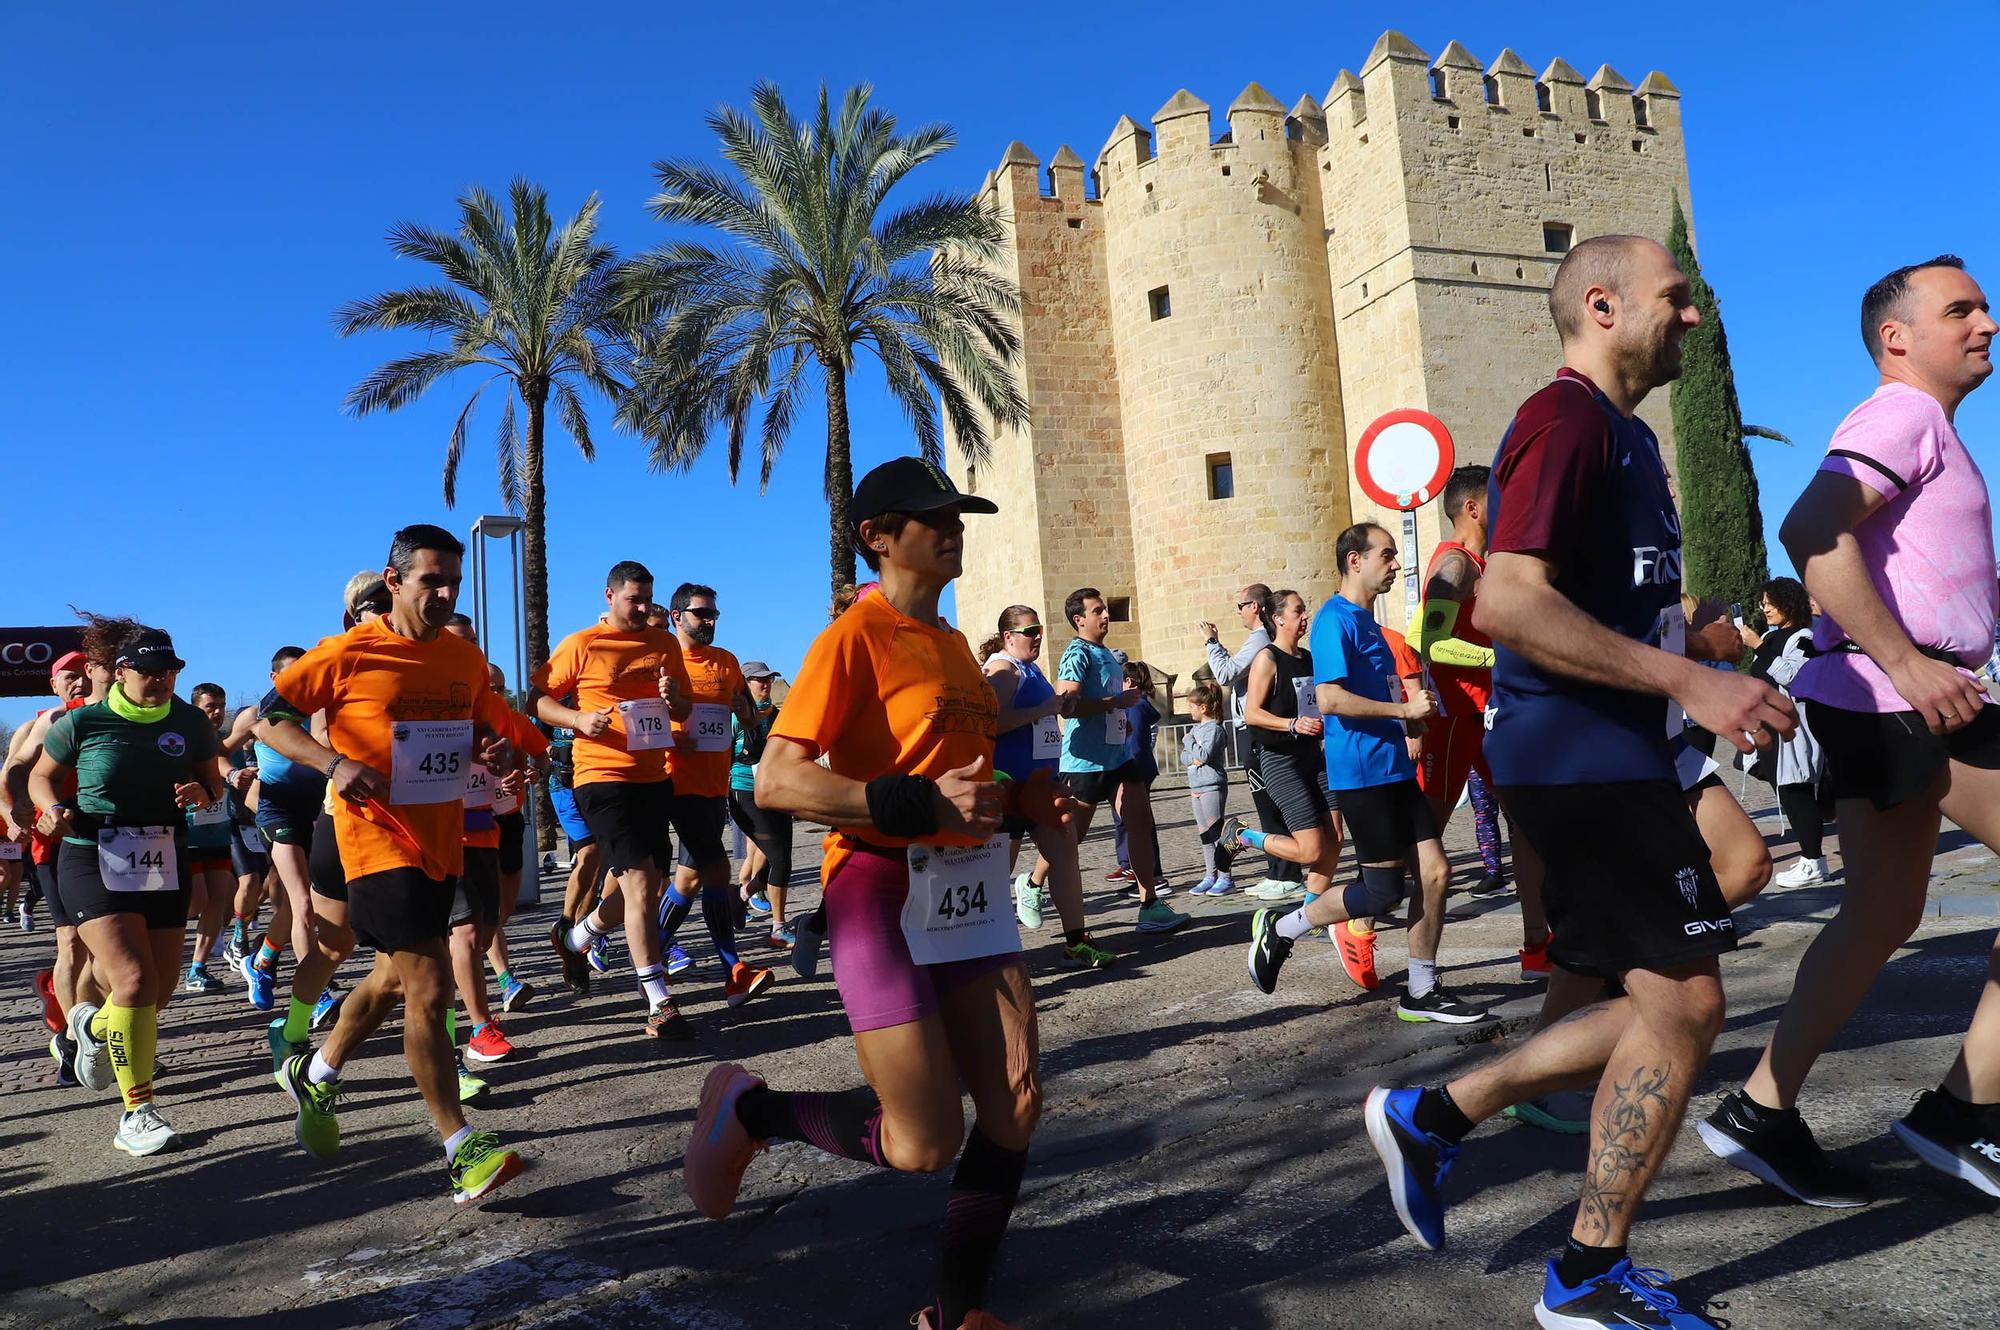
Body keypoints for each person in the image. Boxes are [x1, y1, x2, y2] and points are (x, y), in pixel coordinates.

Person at [1362, 234, 1794, 1327]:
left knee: (1666, 1003)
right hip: (1575, 755)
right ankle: (1583, 1275)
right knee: (1684, 1001)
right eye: (1675, 299)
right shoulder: (1559, 421)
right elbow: (1501, 603)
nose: (1693, 319)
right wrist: (1686, 679)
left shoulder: (1628, 440)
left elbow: (1615, 610)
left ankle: (1440, 1113)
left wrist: (1706, 649)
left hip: (1620, 750)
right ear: (1599, 306)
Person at [682, 456, 1040, 1330]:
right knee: (923, 1142)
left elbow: (955, 777)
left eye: (957, 515)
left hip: (966, 891)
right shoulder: (853, 637)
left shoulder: (956, 646)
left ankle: (957, 1313)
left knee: (1016, 1107)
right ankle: (751, 1107)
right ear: (876, 536)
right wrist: (913, 801)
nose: (952, 528)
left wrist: (1019, 802)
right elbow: (776, 780)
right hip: (877, 887)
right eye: (931, 517)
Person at [1704, 255, 2000, 1204]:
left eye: (1986, 307)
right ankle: (1964, 1113)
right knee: (1881, 909)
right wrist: (1913, 666)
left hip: (1875, 692)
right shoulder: (1902, 414)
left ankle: (1761, 1109)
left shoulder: (1929, 428)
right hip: (1901, 693)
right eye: (1962, 309)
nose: (1987, 322)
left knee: (1882, 911)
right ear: (1896, 338)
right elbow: (1809, 531)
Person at [257, 524, 525, 1202]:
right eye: (432, 580)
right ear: (394, 579)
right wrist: (334, 762)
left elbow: (474, 734)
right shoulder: (347, 652)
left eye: (453, 583)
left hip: (440, 841)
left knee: (388, 982)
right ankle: (461, 1148)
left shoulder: (463, 661)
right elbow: (267, 720)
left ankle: (315, 1072)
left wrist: (492, 752)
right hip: (372, 841)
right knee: (431, 985)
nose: (444, 593)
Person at [1242, 548, 1486, 1024]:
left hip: (1394, 768)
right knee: (1382, 893)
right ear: (1355, 560)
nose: (1396, 564)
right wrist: (1403, 713)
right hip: (1363, 775)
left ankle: (1420, 988)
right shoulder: (1336, 620)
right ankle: (1283, 927)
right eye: (1387, 556)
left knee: (1436, 873)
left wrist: (1412, 716)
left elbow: (1388, 688)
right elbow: (1330, 698)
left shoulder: (1369, 623)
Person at [30, 625, 223, 1156]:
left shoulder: (187, 721)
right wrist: (50, 810)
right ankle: (136, 1111)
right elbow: (40, 777)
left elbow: (215, 784)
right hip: (91, 853)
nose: (162, 681)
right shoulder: (83, 721)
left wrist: (201, 791)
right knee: (133, 981)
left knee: (156, 993)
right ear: (120, 674)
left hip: (163, 855)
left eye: (170, 672)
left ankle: (90, 1024)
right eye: (149, 672)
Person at [532, 560, 695, 1040]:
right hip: (601, 776)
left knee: (649, 880)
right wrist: (578, 720)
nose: (644, 608)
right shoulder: (582, 644)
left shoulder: (664, 642)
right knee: (641, 883)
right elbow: (537, 701)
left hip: (652, 775)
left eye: (648, 599)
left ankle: (579, 936)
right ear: (609, 596)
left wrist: (673, 697)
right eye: (634, 600)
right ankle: (658, 998)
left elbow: (684, 706)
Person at [1410, 463, 1554, 972]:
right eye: (1498, 498)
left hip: (1492, 716)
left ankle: (1538, 943)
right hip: (1456, 719)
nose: (1508, 506)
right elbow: (1433, 643)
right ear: (1472, 507)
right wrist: (1503, 658)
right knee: (1427, 836)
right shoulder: (1454, 564)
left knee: (1528, 821)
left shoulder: (1480, 561)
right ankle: (1359, 918)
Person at [658, 582, 775, 1008]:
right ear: (677, 616)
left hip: (712, 785)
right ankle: (734, 972)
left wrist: (746, 713)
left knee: (688, 880)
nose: (709, 621)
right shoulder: (661, 659)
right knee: (717, 871)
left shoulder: (725, 662)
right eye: (701, 614)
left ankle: (638, 953)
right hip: (669, 782)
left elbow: (746, 711)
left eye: (713, 615)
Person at [981, 605, 1113, 970]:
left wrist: (1056, 708)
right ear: (1009, 637)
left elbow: (1042, 718)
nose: (1038, 635)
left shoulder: (1029, 667)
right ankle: (988, 951)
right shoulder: (1003, 669)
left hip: (1039, 785)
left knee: (1065, 848)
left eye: (1040, 629)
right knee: (994, 873)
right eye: (1030, 631)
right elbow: (991, 723)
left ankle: (1076, 940)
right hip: (1007, 788)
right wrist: (1042, 709)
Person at [1055, 588, 1187, 936]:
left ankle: (1150, 904)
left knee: (1139, 819)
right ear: (1078, 619)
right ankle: (1034, 882)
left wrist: (1120, 717)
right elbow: (1066, 703)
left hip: (1119, 756)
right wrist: (1114, 702)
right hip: (1085, 761)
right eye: (1097, 611)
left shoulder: (1107, 655)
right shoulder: (1076, 652)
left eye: (1105, 610)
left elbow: (1109, 703)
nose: (1106, 615)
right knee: (1071, 837)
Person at [3, 646, 108, 1084]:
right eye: (67, 676)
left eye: (83, 673)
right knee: (71, 943)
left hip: (110, 838)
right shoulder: (42, 722)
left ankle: (90, 1023)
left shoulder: (112, 716)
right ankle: (71, 1040)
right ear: (53, 684)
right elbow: (12, 770)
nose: (78, 682)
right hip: (55, 842)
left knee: (107, 948)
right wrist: (13, 814)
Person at [1201, 584, 1304, 899]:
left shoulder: (1260, 640)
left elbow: (1226, 673)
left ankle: (1285, 873)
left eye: (1241, 605)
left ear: (1255, 607)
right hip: (1253, 729)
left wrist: (1211, 642)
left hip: (1255, 729)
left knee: (1270, 803)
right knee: (1266, 803)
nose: (1239, 612)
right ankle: (1277, 870)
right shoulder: (1260, 641)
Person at [1739, 576, 1829, 887]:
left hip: (1794, 727)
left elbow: (1791, 675)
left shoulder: (1804, 637)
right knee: (1781, 784)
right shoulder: (1770, 636)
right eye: (1763, 603)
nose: (1764, 608)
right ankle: (1814, 846)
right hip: (1769, 725)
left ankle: (1813, 861)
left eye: (1769, 602)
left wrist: (1760, 647)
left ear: (1787, 602)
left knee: (1795, 789)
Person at [728, 661, 795, 949]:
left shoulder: (777, 714)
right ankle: (778, 928)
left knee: (782, 861)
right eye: (758, 680)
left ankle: (741, 896)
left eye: (768, 679)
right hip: (744, 792)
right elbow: (722, 755)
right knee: (777, 858)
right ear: (746, 684)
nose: (765, 684)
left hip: (775, 790)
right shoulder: (734, 716)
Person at [181, 683, 236, 992]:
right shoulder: (183, 741)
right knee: (196, 901)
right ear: (196, 708)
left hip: (217, 833)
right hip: (188, 834)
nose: (216, 712)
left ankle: (197, 969)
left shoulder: (222, 743)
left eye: (220, 705)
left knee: (218, 899)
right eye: (210, 706)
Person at [1181, 681, 1232, 895]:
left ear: (1203, 708)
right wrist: (1193, 754)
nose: (1189, 710)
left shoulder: (1214, 730)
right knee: (1204, 835)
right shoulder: (1194, 731)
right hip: (1196, 786)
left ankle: (1225, 877)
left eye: (1192, 706)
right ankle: (1210, 874)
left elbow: (1204, 755)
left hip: (1212, 786)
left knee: (1216, 833)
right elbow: (1186, 757)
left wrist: (1190, 743)